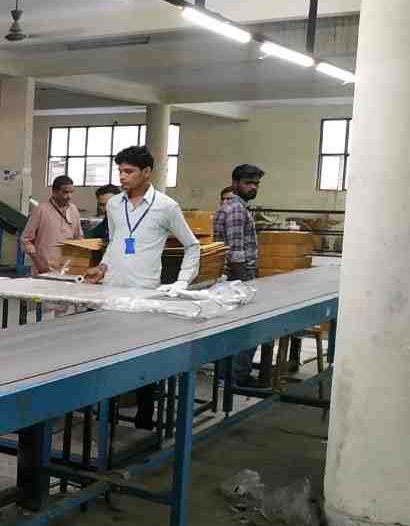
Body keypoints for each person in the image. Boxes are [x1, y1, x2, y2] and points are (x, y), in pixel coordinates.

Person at [86, 145, 200, 429]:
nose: (122, 177)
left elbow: (192, 245)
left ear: (147, 172)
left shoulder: (166, 206)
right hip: (112, 290)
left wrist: (181, 282)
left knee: (143, 355)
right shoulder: (114, 204)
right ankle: (107, 410)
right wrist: (102, 267)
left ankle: (145, 411)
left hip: (144, 292)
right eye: (120, 171)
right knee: (108, 352)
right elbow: (116, 242)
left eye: (129, 171)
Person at [214, 164, 264, 386]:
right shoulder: (236, 209)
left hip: (231, 277)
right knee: (249, 328)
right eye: (248, 183)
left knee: (231, 329)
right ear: (235, 183)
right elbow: (235, 253)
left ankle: (226, 375)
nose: (253, 187)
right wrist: (247, 283)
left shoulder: (233, 207)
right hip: (237, 277)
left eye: (256, 184)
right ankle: (237, 376)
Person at [21, 174, 83, 275]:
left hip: (68, 269)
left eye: (72, 192)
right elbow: (26, 240)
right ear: (54, 192)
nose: (69, 196)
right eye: (65, 192)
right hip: (44, 269)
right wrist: (40, 265)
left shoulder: (74, 210)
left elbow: (79, 238)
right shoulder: (41, 210)